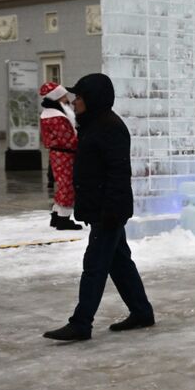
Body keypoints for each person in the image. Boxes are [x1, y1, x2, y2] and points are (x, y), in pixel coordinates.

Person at [44, 74, 155, 342]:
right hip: (102, 208)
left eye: (79, 97)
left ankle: (81, 323)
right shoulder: (94, 124)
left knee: (94, 265)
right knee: (119, 263)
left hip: (109, 211)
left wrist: (110, 213)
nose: (75, 101)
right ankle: (141, 312)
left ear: (92, 98)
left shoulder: (109, 127)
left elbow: (118, 174)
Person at [39, 82, 81, 230]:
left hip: (57, 154)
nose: (67, 98)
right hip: (65, 155)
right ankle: (64, 219)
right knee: (68, 185)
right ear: (57, 97)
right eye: (63, 95)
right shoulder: (57, 116)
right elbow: (67, 140)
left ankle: (56, 216)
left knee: (62, 184)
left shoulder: (49, 113)